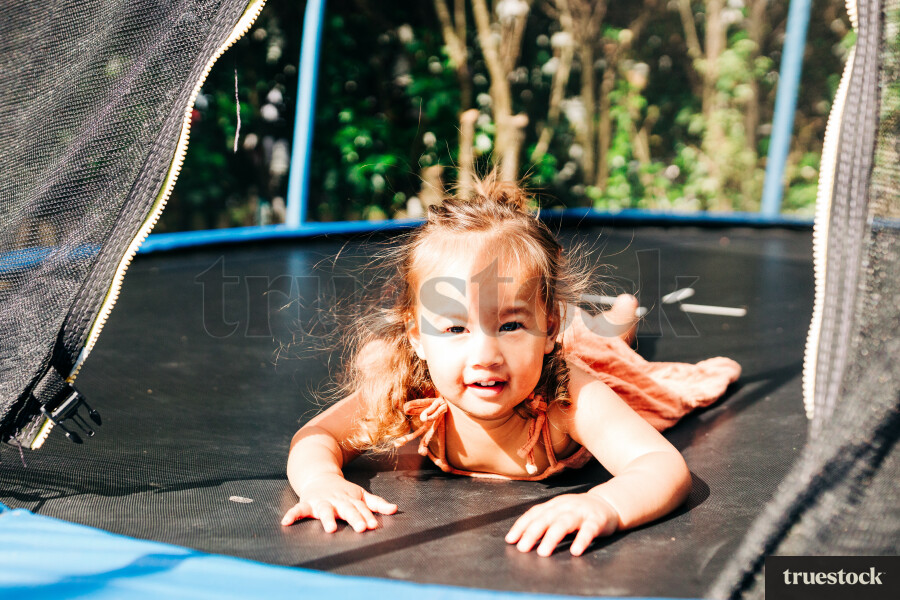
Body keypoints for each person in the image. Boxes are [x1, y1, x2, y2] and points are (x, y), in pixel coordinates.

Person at [281, 176, 740, 557]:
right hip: (541, 339)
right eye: (456, 329)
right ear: (417, 338)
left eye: (510, 324)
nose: (485, 355)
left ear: (547, 328)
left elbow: (661, 465)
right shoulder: (411, 387)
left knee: (606, 346)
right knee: (381, 362)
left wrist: (604, 505)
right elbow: (316, 437)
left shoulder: (565, 395)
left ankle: (620, 316)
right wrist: (321, 482)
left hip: (575, 354)